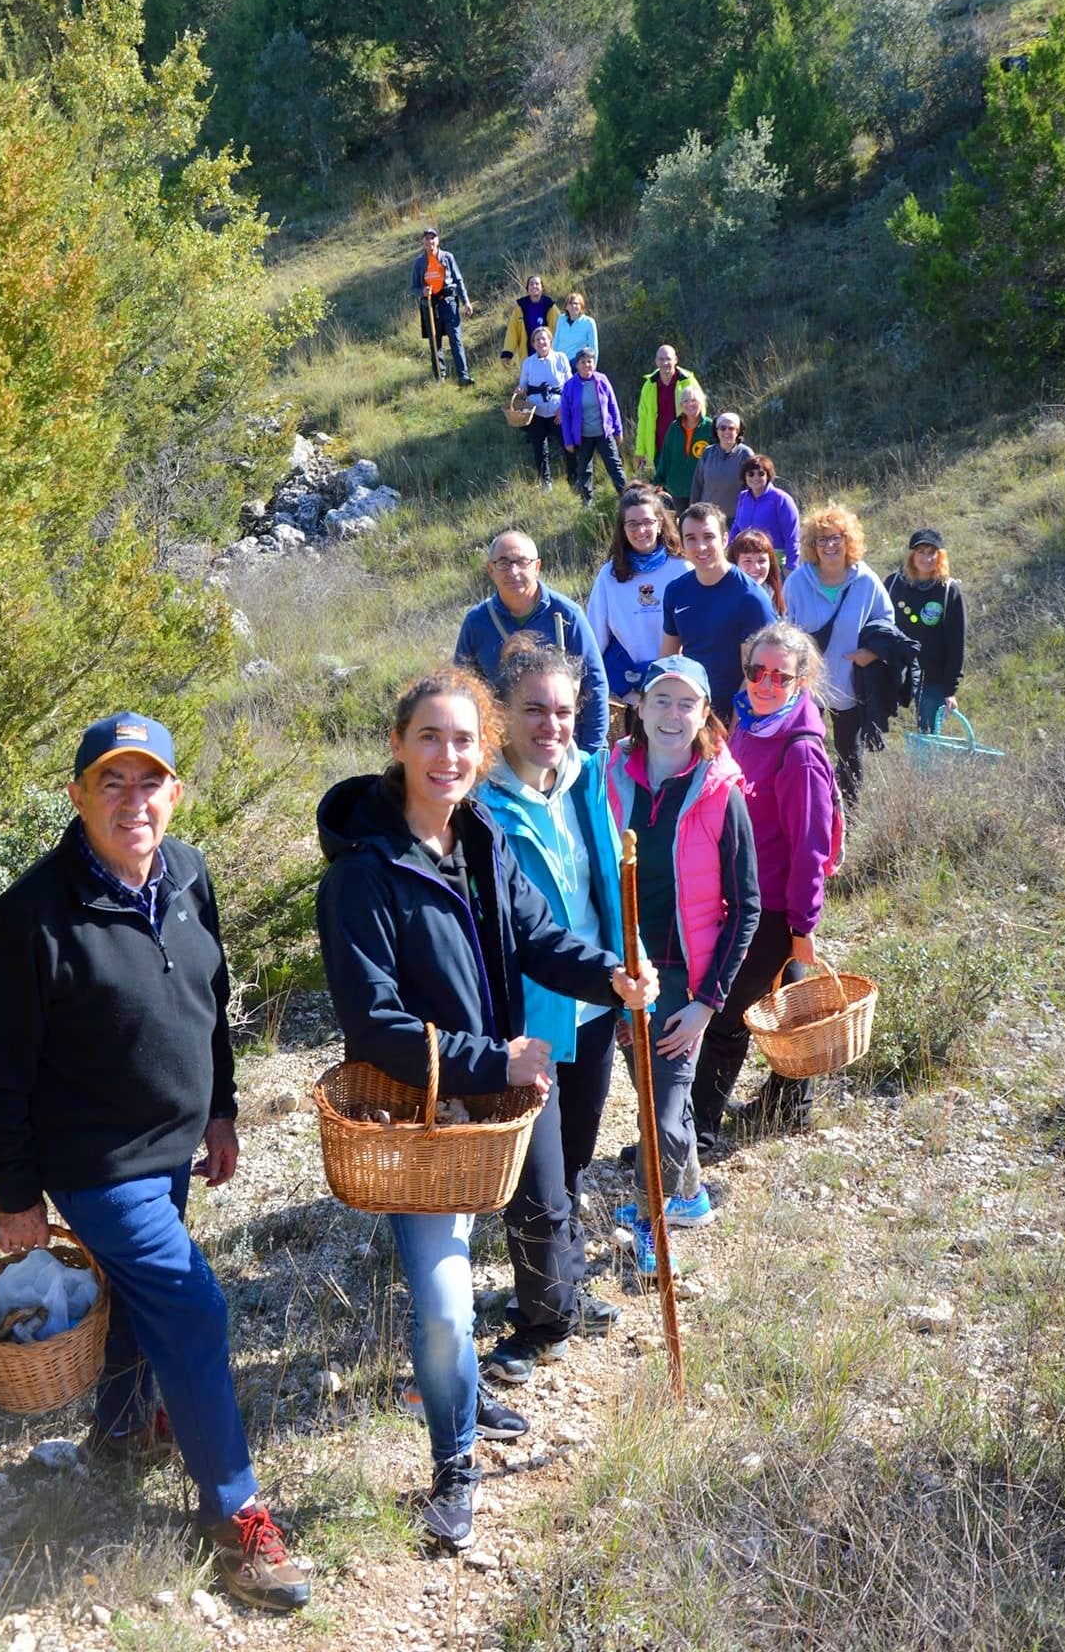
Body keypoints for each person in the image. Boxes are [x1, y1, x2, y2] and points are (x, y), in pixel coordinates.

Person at [0, 715, 309, 1613]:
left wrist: (221, 1108)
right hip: (94, 1164)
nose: (132, 802)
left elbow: (210, 995)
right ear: (77, 797)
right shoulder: (27, 919)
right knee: (192, 1309)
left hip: (173, 1151)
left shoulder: (188, 872)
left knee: (138, 1305)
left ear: (175, 794)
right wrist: (16, 1196)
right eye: (109, 783)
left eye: (148, 781)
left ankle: (120, 1430)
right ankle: (237, 1518)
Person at [315, 672, 653, 1546]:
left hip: (502, 1103)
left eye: (464, 740)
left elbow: (539, 936)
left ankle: (464, 1390)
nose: (449, 756)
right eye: (431, 737)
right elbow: (378, 1024)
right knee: (442, 1305)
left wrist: (609, 972)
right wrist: (492, 1056)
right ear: (398, 744)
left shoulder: (483, 841)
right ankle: (453, 1464)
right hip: (426, 1118)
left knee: (534, 1222)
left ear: (483, 749)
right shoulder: (362, 876)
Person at [477, 638, 659, 1382]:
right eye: (533, 710)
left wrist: (631, 956)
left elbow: (608, 883)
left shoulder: (587, 778)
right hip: (527, 1015)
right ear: (503, 715)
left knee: (574, 1159)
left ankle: (560, 1287)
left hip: (592, 999)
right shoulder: (478, 801)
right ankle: (543, 1317)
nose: (550, 724)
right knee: (537, 1175)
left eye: (563, 709)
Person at [604, 657, 761, 1274]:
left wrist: (706, 1002)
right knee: (649, 1090)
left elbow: (746, 906)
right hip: (617, 969)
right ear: (639, 707)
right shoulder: (607, 775)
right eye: (660, 700)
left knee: (662, 1113)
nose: (672, 714)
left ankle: (653, 1217)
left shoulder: (723, 791)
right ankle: (690, 1194)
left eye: (686, 703)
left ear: (703, 713)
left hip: (681, 980)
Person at [691, 623, 838, 1153]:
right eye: (758, 671)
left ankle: (694, 1132)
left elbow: (810, 848)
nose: (766, 682)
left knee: (725, 1016)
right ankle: (789, 1104)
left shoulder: (798, 749)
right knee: (792, 1006)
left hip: (773, 905)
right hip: (745, 894)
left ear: (801, 681)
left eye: (780, 675)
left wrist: (802, 926)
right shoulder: (752, 721)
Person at [454, 530, 611, 752]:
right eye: (503, 563)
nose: (513, 571)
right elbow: (463, 689)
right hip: (503, 752)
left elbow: (594, 684)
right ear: (491, 570)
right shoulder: (477, 622)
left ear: (537, 567)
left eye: (521, 562)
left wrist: (591, 751)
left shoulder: (568, 615)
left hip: (559, 746)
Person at [784, 504, 894, 804]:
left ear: (849, 541)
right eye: (822, 540)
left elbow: (886, 621)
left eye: (836, 538)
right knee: (806, 750)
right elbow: (786, 631)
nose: (830, 545)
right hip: (808, 687)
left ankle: (850, 814)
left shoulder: (866, 581)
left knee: (849, 752)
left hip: (849, 682)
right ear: (812, 546)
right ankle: (815, 806)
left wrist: (871, 652)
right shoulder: (796, 583)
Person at [660, 503, 776, 721]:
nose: (701, 546)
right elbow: (667, 660)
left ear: (724, 540)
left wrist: (735, 727)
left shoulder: (750, 598)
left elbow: (755, 675)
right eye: (691, 538)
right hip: (692, 711)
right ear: (682, 544)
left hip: (738, 716)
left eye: (708, 536)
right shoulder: (675, 591)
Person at [586, 488, 690, 701]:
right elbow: (595, 637)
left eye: (647, 522)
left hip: (675, 681)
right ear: (623, 529)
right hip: (626, 689)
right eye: (632, 524)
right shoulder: (609, 575)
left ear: (660, 523)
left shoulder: (683, 569)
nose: (640, 530)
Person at [886, 528, 966, 733]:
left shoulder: (949, 591)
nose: (926, 557)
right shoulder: (894, 584)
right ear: (911, 555)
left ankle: (923, 765)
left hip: (932, 677)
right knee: (880, 728)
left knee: (928, 735)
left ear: (940, 556)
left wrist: (950, 690)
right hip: (894, 671)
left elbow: (956, 645)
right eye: (920, 551)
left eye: (932, 552)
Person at [560, 347, 628, 505]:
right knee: (584, 470)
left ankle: (626, 499)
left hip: (604, 433)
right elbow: (566, 414)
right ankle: (587, 502)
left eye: (589, 361)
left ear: (594, 363)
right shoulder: (570, 386)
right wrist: (568, 440)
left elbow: (613, 405)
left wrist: (618, 430)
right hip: (583, 436)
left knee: (615, 467)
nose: (586, 365)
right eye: (582, 362)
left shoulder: (602, 380)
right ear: (577, 365)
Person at [410, 226, 474, 386]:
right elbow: (413, 288)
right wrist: (422, 291)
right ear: (422, 242)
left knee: (456, 339)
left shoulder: (447, 257)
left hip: (449, 302)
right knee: (435, 342)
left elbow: (458, 280)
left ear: (437, 241)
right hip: (430, 306)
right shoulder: (419, 263)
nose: (430, 241)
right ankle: (440, 377)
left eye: (433, 238)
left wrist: (466, 301)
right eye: (427, 238)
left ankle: (463, 376)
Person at [515, 326, 573, 491]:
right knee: (539, 448)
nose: (541, 342)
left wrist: (564, 408)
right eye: (537, 340)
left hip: (558, 411)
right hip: (536, 412)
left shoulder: (561, 358)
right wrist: (520, 390)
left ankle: (573, 477)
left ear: (550, 341)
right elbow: (523, 386)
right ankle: (545, 481)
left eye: (544, 339)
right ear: (533, 344)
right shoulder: (528, 363)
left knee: (568, 445)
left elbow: (570, 386)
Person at [728, 456, 800, 573]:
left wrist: (792, 567)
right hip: (745, 563)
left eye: (761, 474)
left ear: (768, 476)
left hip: (774, 565)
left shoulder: (781, 499)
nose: (755, 478)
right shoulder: (743, 497)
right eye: (751, 474)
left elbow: (792, 536)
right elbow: (737, 526)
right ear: (744, 477)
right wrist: (729, 552)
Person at [635, 343, 695, 474]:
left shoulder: (688, 381)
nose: (665, 363)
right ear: (656, 361)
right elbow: (643, 419)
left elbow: (699, 412)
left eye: (668, 359)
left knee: (683, 487)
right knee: (664, 489)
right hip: (659, 446)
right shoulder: (649, 385)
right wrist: (640, 450)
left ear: (675, 360)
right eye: (661, 359)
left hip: (683, 444)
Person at [653, 382, 714, 508]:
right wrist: (658, 481)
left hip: (703, 489)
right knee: (683, 525)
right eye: (685, 401)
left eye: (694, 400)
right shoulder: (674, 427)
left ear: (701, 403)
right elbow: (666, 456)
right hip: (677, 489)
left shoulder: (711, 427)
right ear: (681, 405)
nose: (690, 404)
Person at [690, 412, 755, 525]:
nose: (727, 432)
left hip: (736, 520)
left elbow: (753, 488)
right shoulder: (707, 453)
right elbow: (697, 485)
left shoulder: (746, 454)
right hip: (708, 519)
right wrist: (692, 513)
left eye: (731, 428)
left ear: (738, 431)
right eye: (722, 428)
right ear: (716, 430)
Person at [500, 273, 558, 366]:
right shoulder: (520, 308)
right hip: (528, 355)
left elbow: (559, 329)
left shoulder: (550, 306)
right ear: (527, 288)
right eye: (531, 284)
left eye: (537, 284)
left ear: (542, 288)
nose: (534, 286)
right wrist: (508, 352)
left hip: (548, 354)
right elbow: (512, 331)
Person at [729, 526, 787, 616]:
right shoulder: (727, 599)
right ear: (735, 564)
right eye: (747, 561)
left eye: (761, 561)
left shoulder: (774, 594)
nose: (756, 567)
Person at [552, 291, 598, 370]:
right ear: (566, 306)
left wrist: (593, 367)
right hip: (560, 361)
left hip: (577, 363)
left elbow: (593, 346)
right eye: (570, 303)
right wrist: (552, 359)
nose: (573, 306)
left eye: (576, 304)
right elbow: (556, 340)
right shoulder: (561, 319)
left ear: (581, 306)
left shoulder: (589, 322)